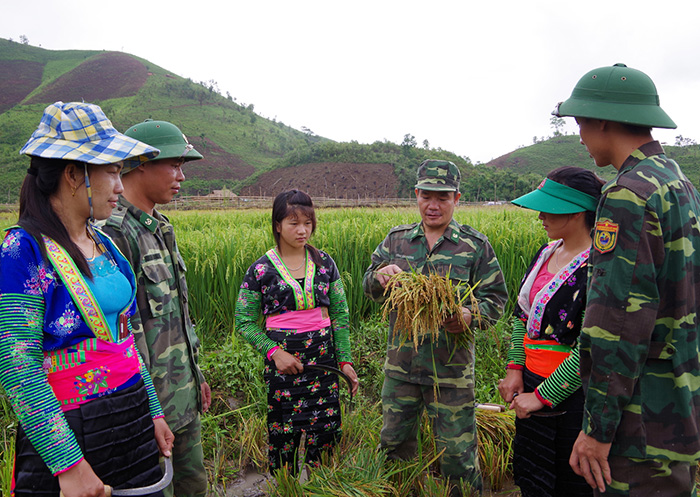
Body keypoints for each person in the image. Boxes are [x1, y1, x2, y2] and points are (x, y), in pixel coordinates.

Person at [0, 101, 174, 497]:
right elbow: (17, 366)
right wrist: (69, 466)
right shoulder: (22, 250)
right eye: (112, 171)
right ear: (73, 174)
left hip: (131, 419)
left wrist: (153, 410)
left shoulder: (106, 245)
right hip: (73, 431)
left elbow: (125, 342)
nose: (119, 184)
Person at [554, 63, 700, 496]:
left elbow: (615, 324)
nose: (579, 135)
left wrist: (598, 429)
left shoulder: (628, 195)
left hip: (639, 421)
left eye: (581, 123)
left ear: (602, 121)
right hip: (679, 401)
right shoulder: (681, 186)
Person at [362, 159, 509, 494]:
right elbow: (368, 285)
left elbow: (496, 300)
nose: (433, 205)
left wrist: (469, 316)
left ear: (456, 198)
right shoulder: (396, 242)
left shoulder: (474, 246)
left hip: (451, 373)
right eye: (427, 195)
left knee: (458, 456)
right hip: (401, 370)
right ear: (416, 195)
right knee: (394, 448)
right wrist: (379, 278)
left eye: (443, 197)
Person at [100, 120, 210, 497]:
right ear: (140, 163)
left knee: (193, 485)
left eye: (183, 167)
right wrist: (145, 407)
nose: (181, 176)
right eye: (173, 165)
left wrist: (197, 377)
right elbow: (121, 332)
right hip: (148, 410)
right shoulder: (115, 233)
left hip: (182, 397)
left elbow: (176, 313)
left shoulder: (159, 226)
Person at [235, 189, 359, 474]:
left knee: (325, 436)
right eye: (294, 223)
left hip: (323, 366)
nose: (303, 230)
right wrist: (275, 353)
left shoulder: (326, 264)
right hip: (283, 370)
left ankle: (321, 487)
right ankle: (286, 487)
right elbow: (244, 321)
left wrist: (345, 361)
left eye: (308, 222)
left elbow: (340, 315)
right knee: (283, 439)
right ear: (278, 225)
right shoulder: (260, 270)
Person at [498, 167, 604, 497]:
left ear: (575, 212)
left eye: (549, 208)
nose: (541, 216)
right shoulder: (546, 253)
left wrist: (544, 396)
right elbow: (521, 317)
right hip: (530, 385)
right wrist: (516, 370)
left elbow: (589, 345)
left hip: (572, 398)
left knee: (569, 479)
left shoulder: (599, 266)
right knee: (532, 475)